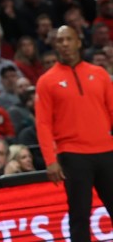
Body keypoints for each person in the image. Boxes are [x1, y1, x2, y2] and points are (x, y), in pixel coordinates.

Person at [35, 25, 113, 242]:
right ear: (55, 45)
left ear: (79, 42)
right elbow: (43, 124)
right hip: (73, 155)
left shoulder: (99, 74)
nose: (65, 44)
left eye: (69, 39)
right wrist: (50, 160)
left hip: (107, 152)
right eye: (60, 41)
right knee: (79, 216)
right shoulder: (46, 81)